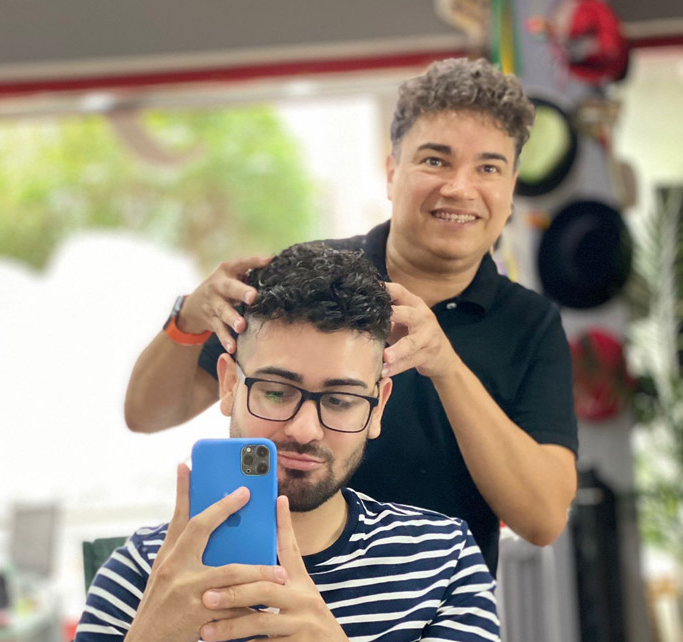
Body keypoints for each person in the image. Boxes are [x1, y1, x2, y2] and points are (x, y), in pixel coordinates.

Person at [124, 57, 578, 573]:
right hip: (264, 583)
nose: (459, 187)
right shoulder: (312, 276)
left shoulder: (530, 324)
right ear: (391, 172)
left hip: (431, 607)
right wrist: (187, 320)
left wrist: (445, 365)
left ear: (511, 187)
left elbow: (542, 520)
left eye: (488, 168)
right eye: (435, 161)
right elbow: (145, 414)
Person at [77, 245, 499, 642]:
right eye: (277, 392)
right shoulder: (140, 572)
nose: (304, 430)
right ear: (228, 384)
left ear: (377, 408)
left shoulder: (444, 561)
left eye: (340, 400)